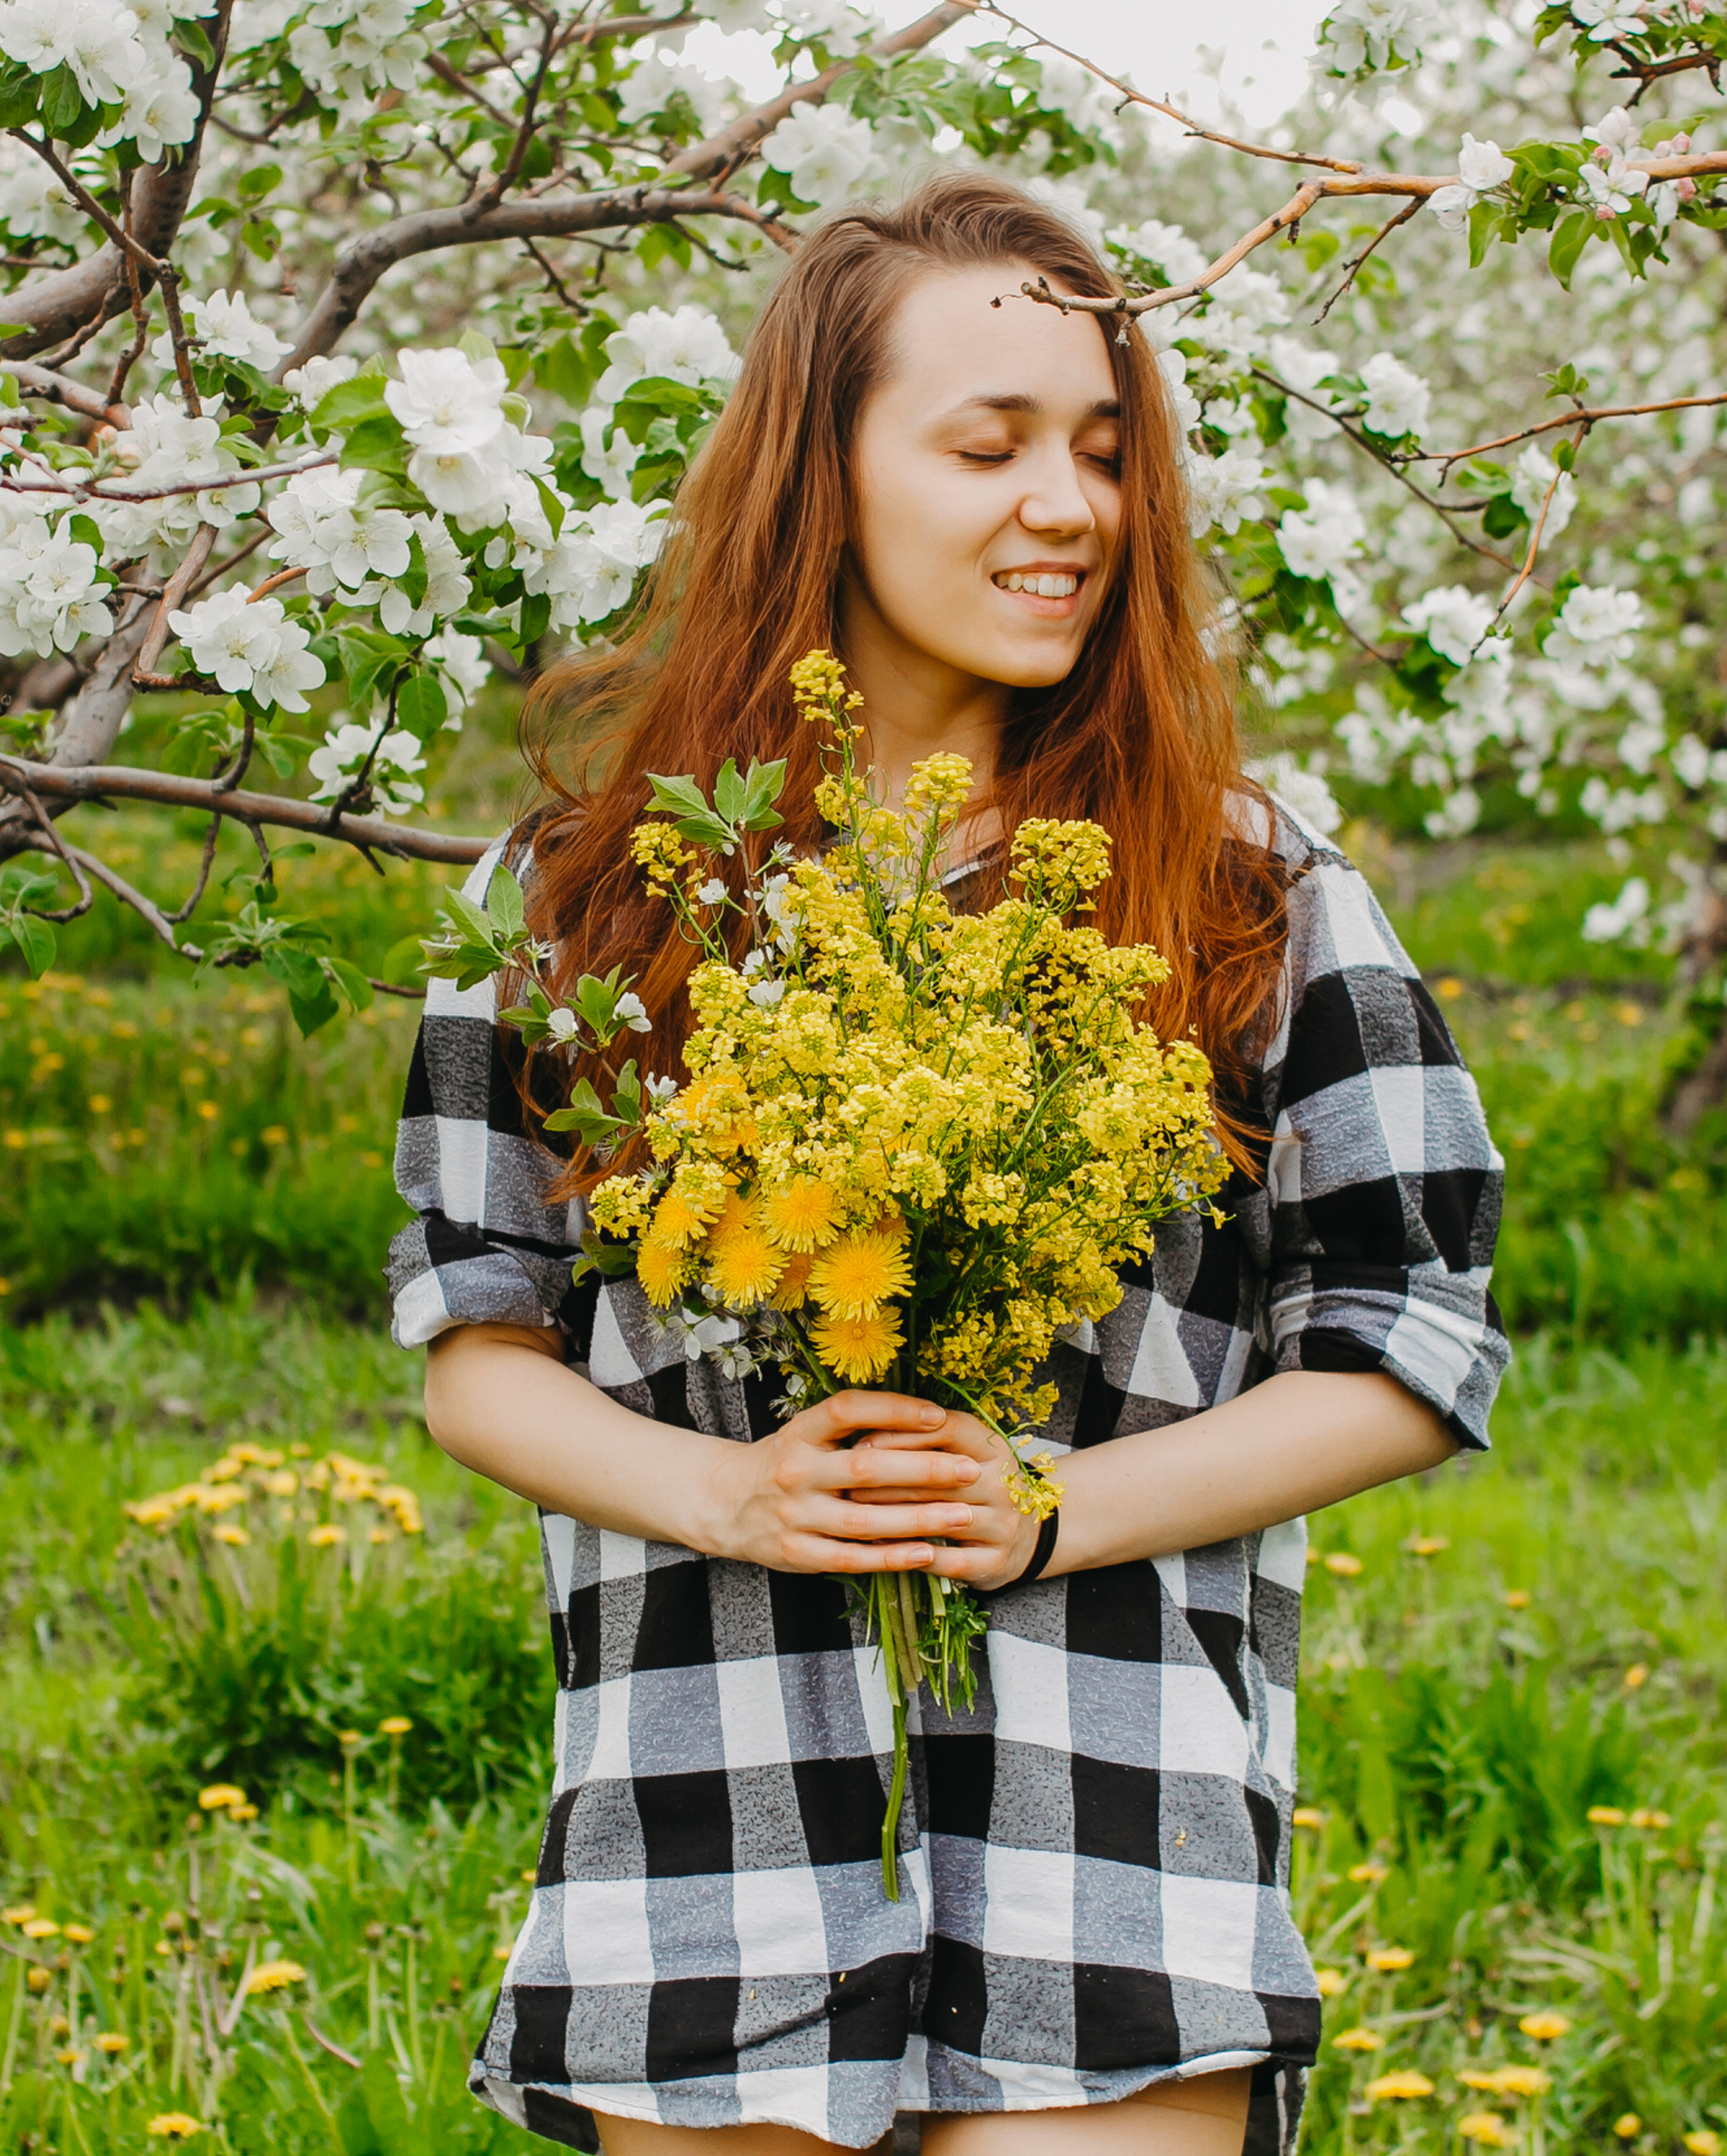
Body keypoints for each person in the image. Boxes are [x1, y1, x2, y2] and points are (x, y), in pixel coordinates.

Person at [385, 172, 1506, 2156]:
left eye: (1098, 452)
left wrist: (1047, 1502)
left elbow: (1412, 1340)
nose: (1063, 507)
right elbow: (473, 1333)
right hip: (699, 1834)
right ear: (821, 472)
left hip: (1110, 1842)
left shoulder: (1241, 884)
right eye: (985, 446)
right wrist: (728, 1491)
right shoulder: (579, 900)